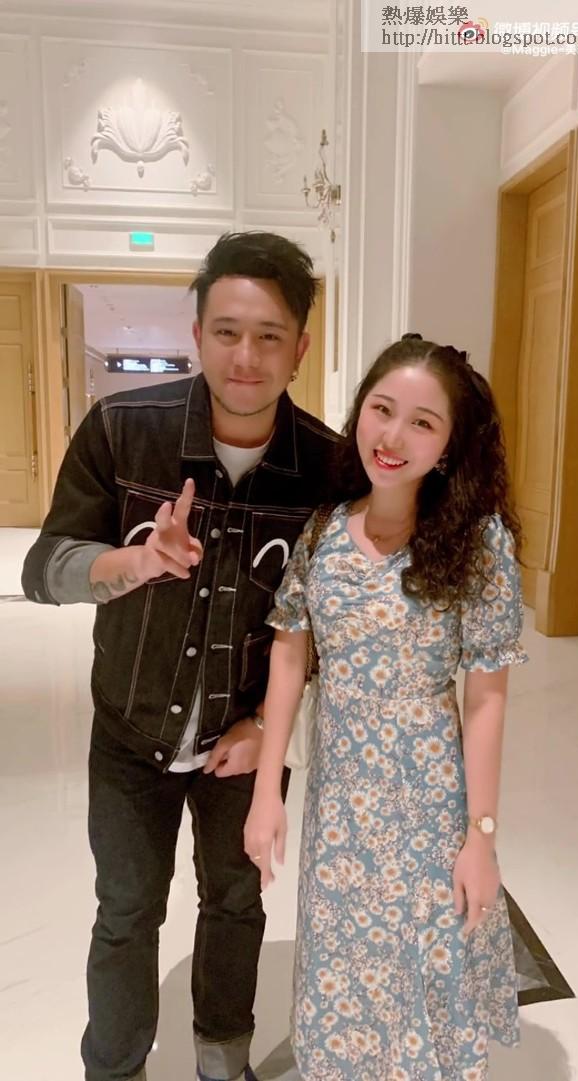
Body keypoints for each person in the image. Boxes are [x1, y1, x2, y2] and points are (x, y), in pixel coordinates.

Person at [21, 232, 341, 1081]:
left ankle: (221, 1061)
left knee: (235, 902)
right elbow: (43, 568)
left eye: (270, 335)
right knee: (126, 910)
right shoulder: (123, 429)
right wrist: (132, 563)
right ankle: (114, 1067)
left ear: (301, 347)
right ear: (197, 333)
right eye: (227, 331)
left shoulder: (326, 468)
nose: (246, 356)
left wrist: (267, 725)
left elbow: (332, 626)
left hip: (244, 743)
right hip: (130, 730)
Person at [244, 333, 527, 1081]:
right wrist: (268, 791)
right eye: (382, 409)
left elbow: (487, 696)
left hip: (428, 805)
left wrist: (481, 837)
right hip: (339, 806)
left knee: (419, 966)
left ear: (450, 444)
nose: (393, 436)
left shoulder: (477, 544)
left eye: (422, 422)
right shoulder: (324, 532)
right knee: (341, 964)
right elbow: (289, 655)